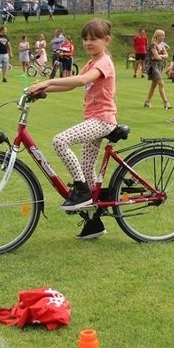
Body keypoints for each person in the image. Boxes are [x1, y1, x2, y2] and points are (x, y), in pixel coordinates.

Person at [26, 18, 117, 227]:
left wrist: (48, 80)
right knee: (87, 168)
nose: (88, 43)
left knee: (60, 141)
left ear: (106, 40)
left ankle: (81, 190)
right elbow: (70, 86)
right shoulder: (91, 62)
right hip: (94, 120)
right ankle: (94, 222)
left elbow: (82, 80)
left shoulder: (103, 62)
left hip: (102, 120)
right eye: (85, 39)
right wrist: (41, 89)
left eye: (93, 39)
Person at [144, 29, 172, 109]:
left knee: (153, 85)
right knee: (161, 83)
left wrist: (161, 56)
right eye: (162, 35)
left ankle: (147, 101)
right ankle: (166, 102)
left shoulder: (162, 45)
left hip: (159, 66)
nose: (163, 37)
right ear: (157, 36)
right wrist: (161, 56)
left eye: (164, 35)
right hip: (153, 67)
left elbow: (166, 56)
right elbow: (156, 57)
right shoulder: (153, 45)